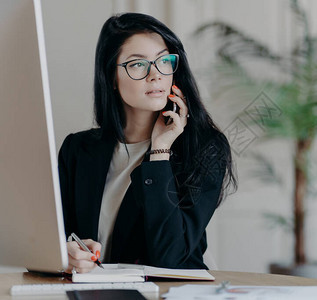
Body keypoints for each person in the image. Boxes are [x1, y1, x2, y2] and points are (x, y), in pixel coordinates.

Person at [58, 12, 236, 274]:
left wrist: (160, 151)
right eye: (138, 64)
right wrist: (65, 253)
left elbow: (170, 258)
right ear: (111, 78)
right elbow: (51, 238)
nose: (156, 75)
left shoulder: (204, 148)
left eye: (164, 60)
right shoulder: (78, 150)